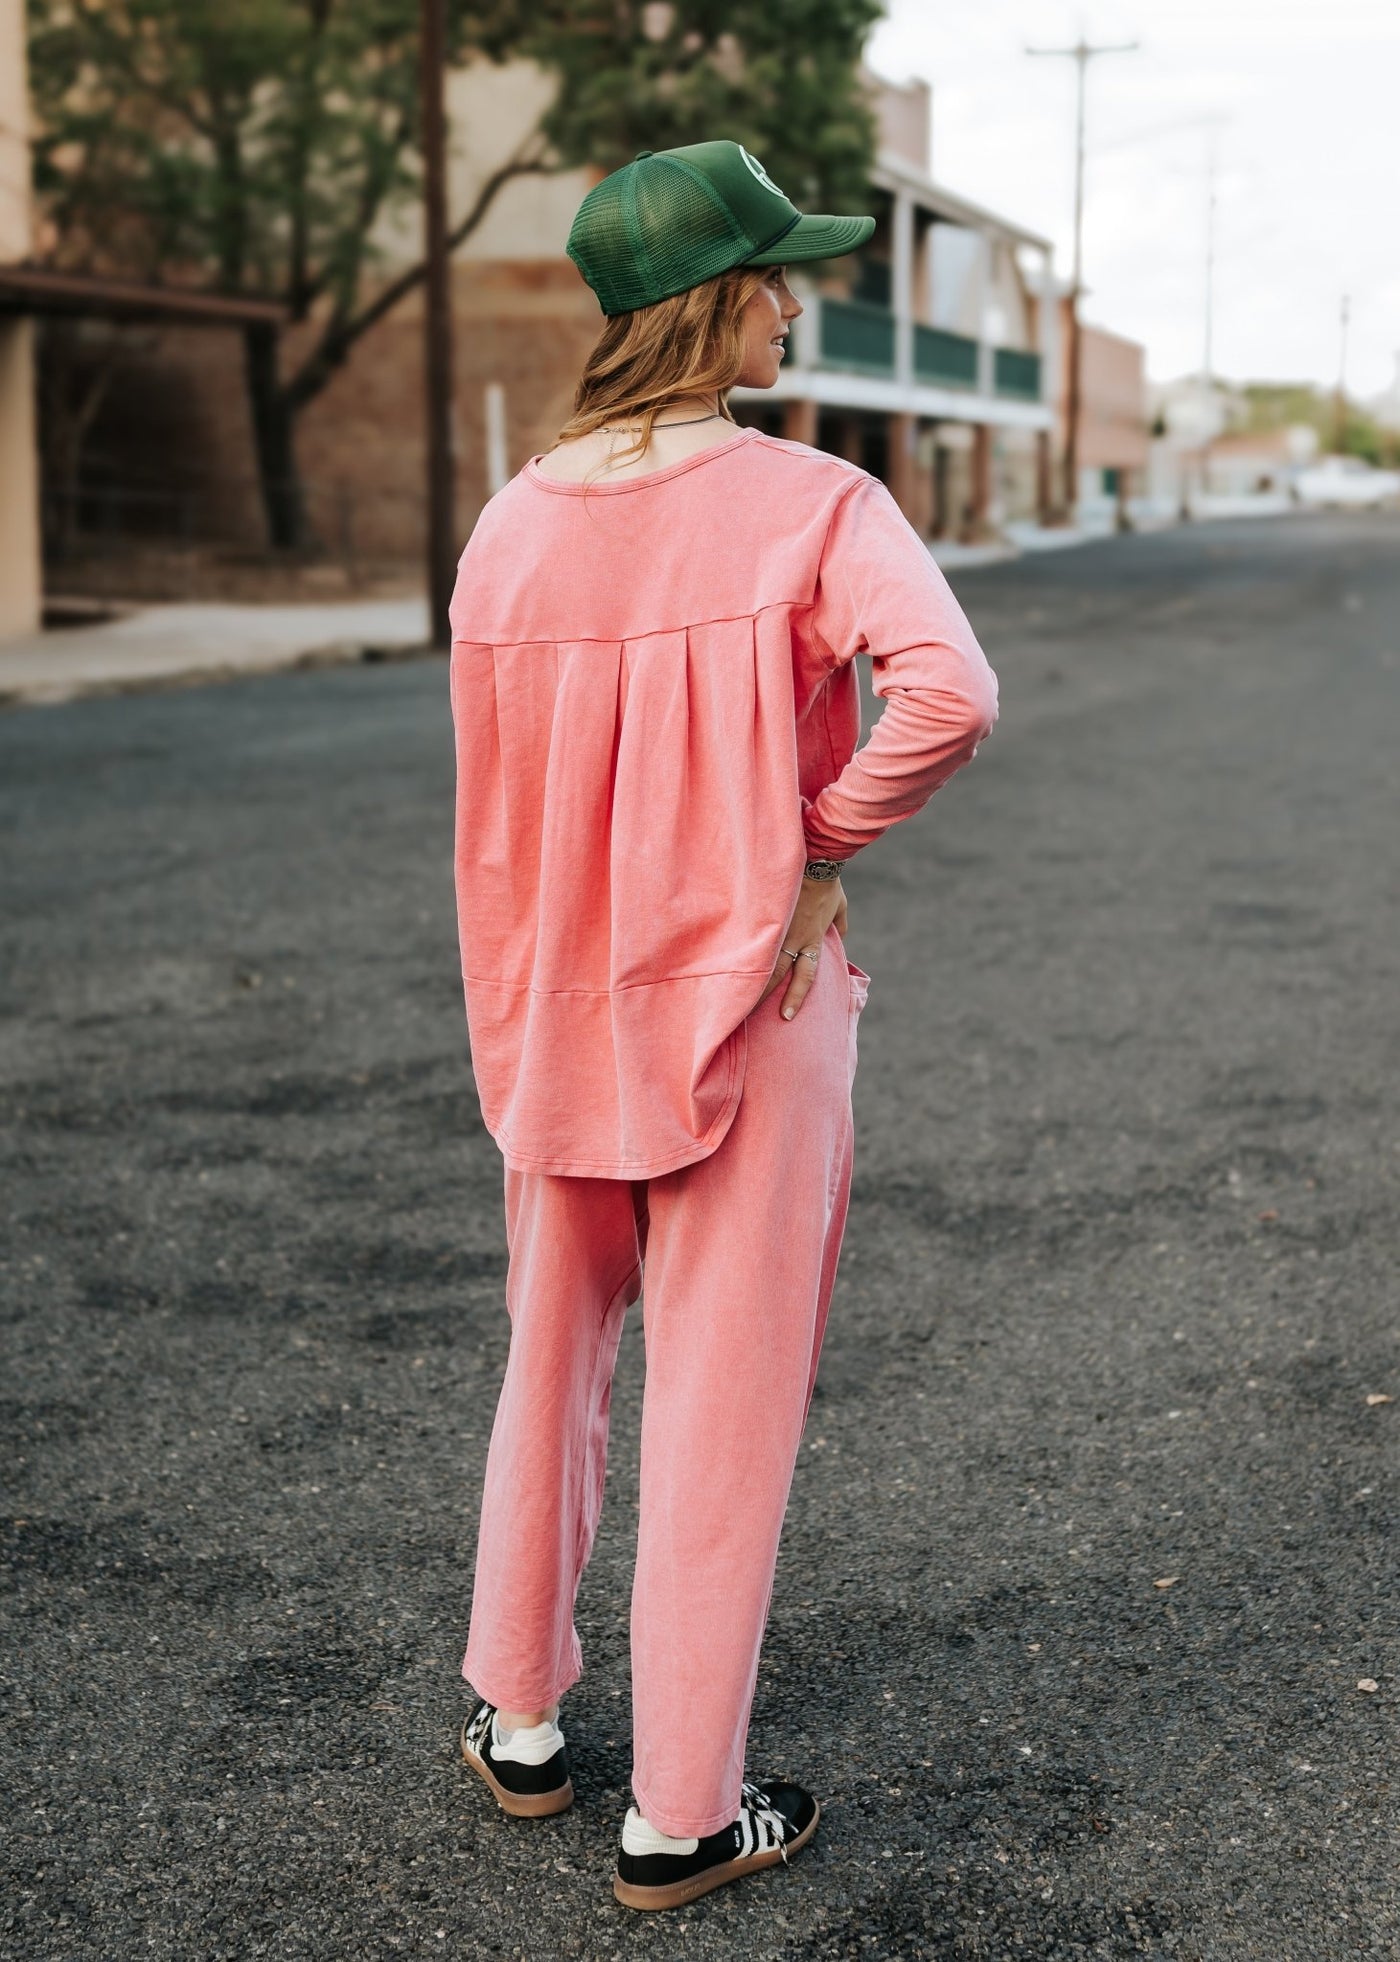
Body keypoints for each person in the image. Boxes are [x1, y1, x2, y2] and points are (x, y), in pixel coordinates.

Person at [447, 140, 999, 1912]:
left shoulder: (509, 523)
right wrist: (815, 845)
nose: (795, 296)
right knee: (722, 1400)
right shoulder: (813, 505)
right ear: (708, 303)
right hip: (753, 1006)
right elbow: (951, 691)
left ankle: (520, 1714)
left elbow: (497, 809)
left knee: (552, 1353)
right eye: (774, 273)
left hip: (557, 1007)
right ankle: (683, 1812)